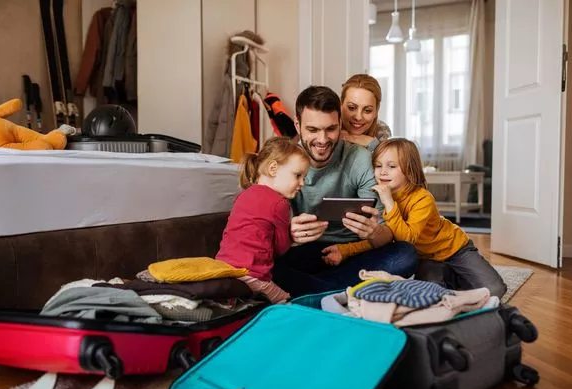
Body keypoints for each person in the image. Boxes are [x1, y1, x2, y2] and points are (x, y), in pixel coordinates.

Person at [271, 86, 418, 298]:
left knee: (405, 255)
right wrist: (288, 233)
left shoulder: (360, 160)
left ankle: (315, 291)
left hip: (354, 250)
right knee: (267, 265)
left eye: (330, 129)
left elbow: (385, 232)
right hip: (306, 250)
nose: (322, 140)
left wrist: (374, 232)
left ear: (340, 124)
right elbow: (265, 229)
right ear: (297, 125)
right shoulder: (283, 162)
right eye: (312, 130)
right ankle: (346, 290)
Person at [323, 138, 507, 298]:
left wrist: (390, 204)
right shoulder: (381, 200)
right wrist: (345, 249)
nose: (382, 172)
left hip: (455, 249)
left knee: (495, 290)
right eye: (378, 166)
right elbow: (380, 238)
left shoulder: (422, 198)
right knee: (430, 295)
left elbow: (407, 239)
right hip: (426, 258)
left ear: (409, 172)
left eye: (391, 166)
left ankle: (458, 275)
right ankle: (450, 277)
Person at [215, 137, 310, 303]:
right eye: (298, 175)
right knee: (287, 302)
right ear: (273, 168)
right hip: (252, 274)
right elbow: (281, 249)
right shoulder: (279, 203)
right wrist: (292, 236)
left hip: (223, 268)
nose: (302, 183)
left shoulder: (244, 195)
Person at [340, 74, 392, 152]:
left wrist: (351, 137)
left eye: (367, 110)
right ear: (340, 105)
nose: (358, 117)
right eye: (351, 108)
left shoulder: (382, 130)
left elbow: (386, 158)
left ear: (376, 111)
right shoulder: (328, 126)